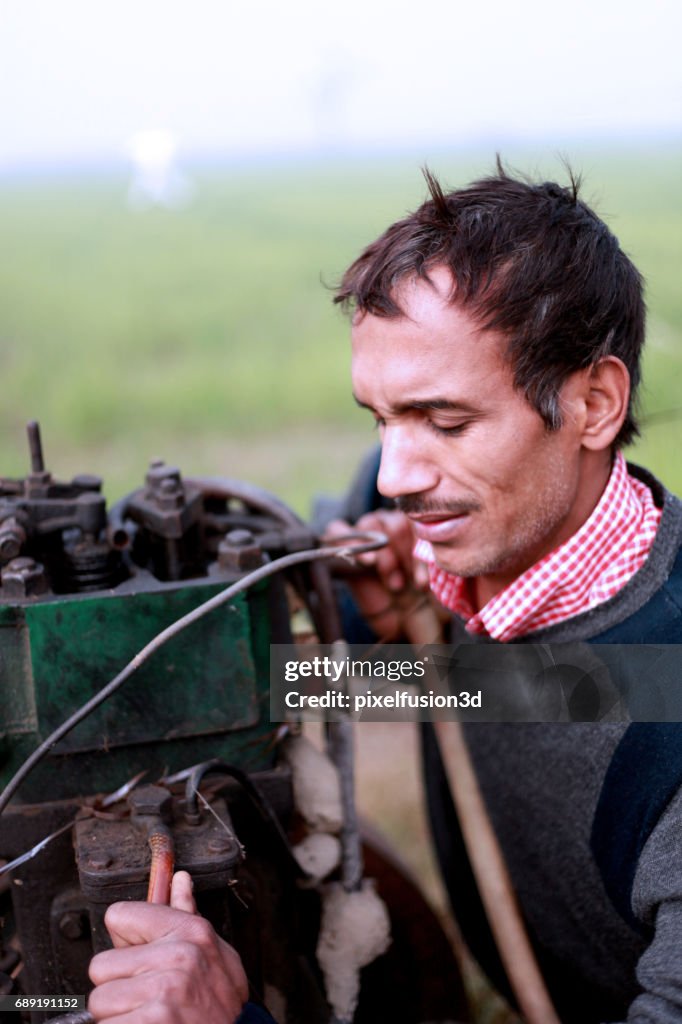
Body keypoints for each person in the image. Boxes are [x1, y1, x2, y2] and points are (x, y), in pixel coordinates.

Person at [87, 165, 682, 1023]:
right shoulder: (501, 559)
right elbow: (508, 690)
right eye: (380, 417)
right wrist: (347, 629)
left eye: (446, 422)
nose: (397, 478)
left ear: (593, 402)